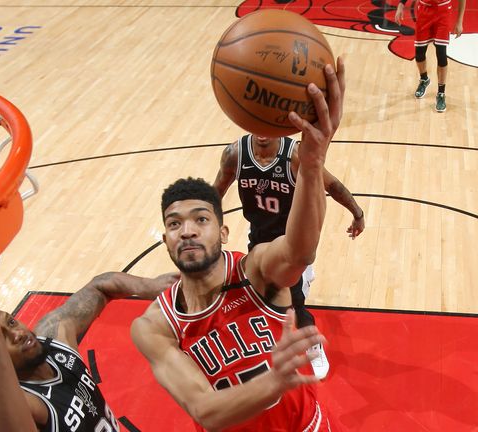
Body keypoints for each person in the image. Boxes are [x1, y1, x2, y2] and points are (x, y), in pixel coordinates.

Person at [131, 58, 345, 431]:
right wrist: (273, 382)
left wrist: (311, 166)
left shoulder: (257, 271)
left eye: (201, 219)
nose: (187, 231)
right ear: (164, 239)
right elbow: (204, 411)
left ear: (223, 232)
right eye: (174, 223)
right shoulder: (154, 325)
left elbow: (299, 251)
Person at [212, 132, 365, 379]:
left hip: (293, 243)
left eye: (267, 127)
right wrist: (207, 223)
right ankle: (262, 347)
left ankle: (313, 344)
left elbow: (332, 185)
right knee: (256, 297)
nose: (262, 133)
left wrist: (357, 213)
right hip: (259, 240)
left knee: (293, 302)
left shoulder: (294, 156)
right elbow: (215, 193)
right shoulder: (235, 154)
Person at [0, 271, 178, 432]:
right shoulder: (6, 407)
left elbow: (100, 285)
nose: (17, 333)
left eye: (11, 323)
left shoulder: (55, 339)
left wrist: (150, 286)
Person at [394, 0, 466, 112]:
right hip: (424, 11)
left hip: (443, 12)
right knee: (419, 53)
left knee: (441, 53)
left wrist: (459, 21)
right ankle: (424, 79)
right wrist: (401, 5)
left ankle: (441, 93)